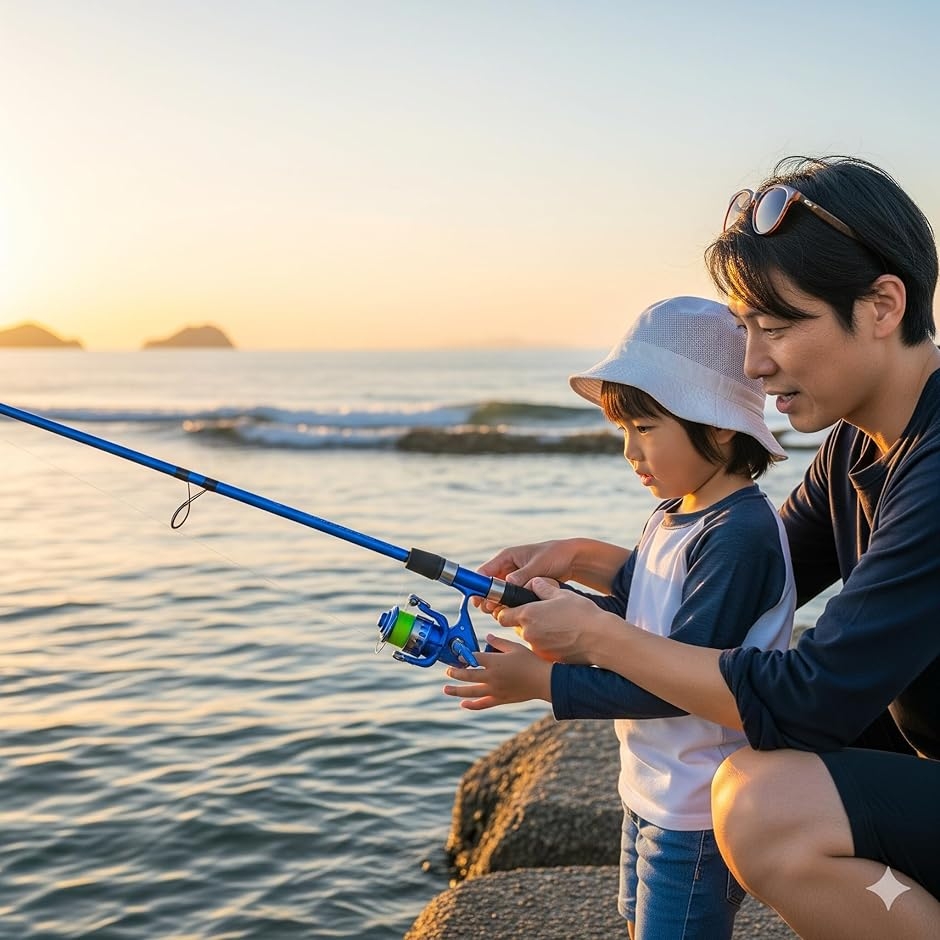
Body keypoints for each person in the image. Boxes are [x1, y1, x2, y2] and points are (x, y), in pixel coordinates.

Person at [450, 156, 940, 939]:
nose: (752, 364)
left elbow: (810, 698)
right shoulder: (859, 443)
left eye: (777, 327)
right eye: (746, 329)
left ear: (882, 305)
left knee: (761, 803)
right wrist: (585, 561)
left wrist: (596, 640)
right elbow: (748, 573)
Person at [445, 295, 795, 939]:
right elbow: (643, 616)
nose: (630, 451)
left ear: (719, 426)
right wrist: (547, 605)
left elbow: (674, 681)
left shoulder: (739, 532)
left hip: (697, 806)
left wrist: (543, 682)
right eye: (623, 431)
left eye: (645, 428)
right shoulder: (675, 512)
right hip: (649, 788)